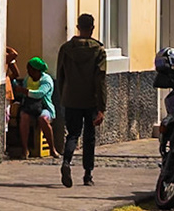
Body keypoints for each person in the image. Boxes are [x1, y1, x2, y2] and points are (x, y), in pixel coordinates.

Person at [56, 13, 108, 187]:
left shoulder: (66, 49)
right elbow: (100, 80)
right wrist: (102, 107)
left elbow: (60, 75)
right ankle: (87, 175)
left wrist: (63, 95)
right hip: (91, 100)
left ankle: (66, 162)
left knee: (72, 134)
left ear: (78, 27)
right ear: (92, 28)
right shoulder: (98, 51)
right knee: (89, 137)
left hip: (71, 98)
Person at [19, 56, 58, 160]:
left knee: (43, 119)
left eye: (30, 70)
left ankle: (52, 148)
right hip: (29, 107)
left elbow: (39, 94)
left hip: (43, 107)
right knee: (24, 118)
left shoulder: (46, 80)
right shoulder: (28, 79)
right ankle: (24, 149)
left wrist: (25, 91)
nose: (29, 72)